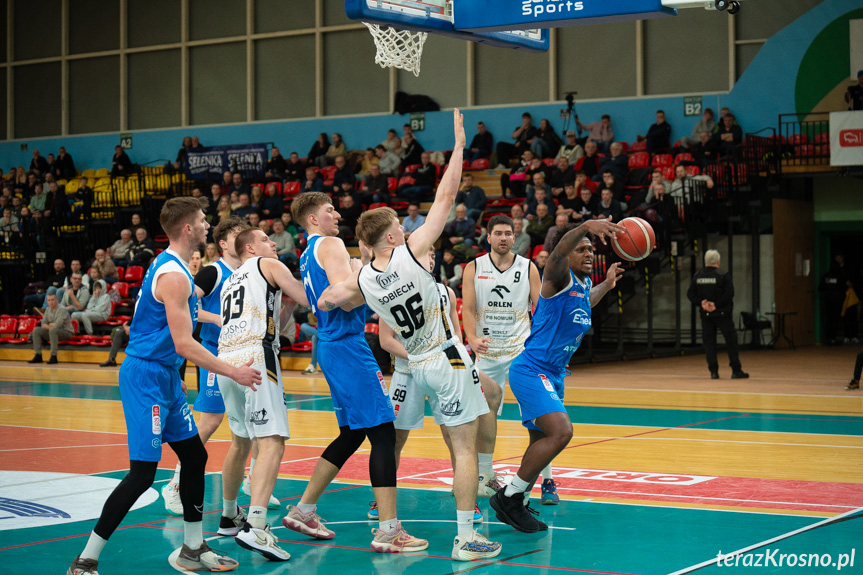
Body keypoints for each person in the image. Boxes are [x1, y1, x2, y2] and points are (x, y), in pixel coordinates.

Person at [317, 109, 503, 561]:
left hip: (417, 362)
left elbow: (325, 300)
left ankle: (462, 508)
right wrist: (458, 148)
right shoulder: (410, 255)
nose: (406, 227)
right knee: (462, 447)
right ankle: (465, 537)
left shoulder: (362, 281)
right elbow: (446, 196)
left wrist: (359, 264)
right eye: (399, 225)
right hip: (447, 355)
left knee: (479, 411)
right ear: (391, 236)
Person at [67, 197, 261, 575]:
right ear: (188, 228)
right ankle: (85, 559)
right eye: (203, 221)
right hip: (145, 377)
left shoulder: (178, 269)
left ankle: (192, 547)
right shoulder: (173, 275)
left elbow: (184, 317)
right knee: (142, 474)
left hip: (167, 376)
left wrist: (221, 321)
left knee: (194, 457)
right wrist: (233, 371)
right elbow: (184, 343)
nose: (208, 226)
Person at [284, 191, 427, 553]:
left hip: (335, 347)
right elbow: (343, 296)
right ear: (313, 219)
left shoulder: (307, 252)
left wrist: (360, 266)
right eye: (329, 209)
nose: (336, 213)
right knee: (382, 434)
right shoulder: (329, 243)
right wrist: (376, 280)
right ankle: (388, 529)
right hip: (347, 346)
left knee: (351, 435)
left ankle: (304, 509)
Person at [489, 218, 624, 532]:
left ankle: (517, 502)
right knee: (561, 432)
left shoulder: (583, 284)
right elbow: (557, 254)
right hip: (532, 369)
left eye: (591, 248)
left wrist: (607, 284)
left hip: (554, 373)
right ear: (567, 254)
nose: (589, 253)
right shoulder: (555, 276)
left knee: (541, 440)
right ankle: (509, 497)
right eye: (581, 249)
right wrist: (586, 226)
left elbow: (585, 304)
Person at [216, 227, 309, 561]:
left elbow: (279, 315)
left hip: (225, 359)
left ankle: (229, 516)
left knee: (241, 441)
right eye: (267, 240)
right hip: (256, 356)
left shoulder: (231, 280)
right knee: (272, 441)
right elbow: (307, 296)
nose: (273, 243)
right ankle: (256, 526)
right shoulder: (267, 264)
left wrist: (285, 308)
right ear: (251, 247)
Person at [462, 215, 547, 500]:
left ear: (514, 237)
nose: (503, 238)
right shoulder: (474, 267)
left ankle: (547, 480)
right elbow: (469, 309)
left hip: (522, 352)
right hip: (487, 352)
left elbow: (541, 311)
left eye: (508, 233)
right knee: (483, 415)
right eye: (498, 233)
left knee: (541, 416)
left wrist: (541, 348)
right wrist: (472, 339)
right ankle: (486, 476)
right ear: (488, 237)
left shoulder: (528, 267)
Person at [687, 249, 749, 379]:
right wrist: (716, 304)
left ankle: (713, 371)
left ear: (705, 262)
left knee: (709, 343)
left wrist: (702, 303)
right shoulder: (723, 275)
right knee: (731, 341)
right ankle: (736, 370)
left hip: (706, 316)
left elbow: (690, 294)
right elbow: (729, 294)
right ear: (718, 261)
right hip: (723, 314)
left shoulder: (697, 276)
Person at [28, 292, 73, 365]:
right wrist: (51, 325)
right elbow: (43, 324)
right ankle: (38, 355)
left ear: (57, 300)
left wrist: (48, 325)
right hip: (53, 332)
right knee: (36, 330)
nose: (51, 302)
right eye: (49, 300)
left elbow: (58, 325)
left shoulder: (62, 309)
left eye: (52, 300)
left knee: (53, 330)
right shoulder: (48, 309)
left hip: (67, 333)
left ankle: (53, 356)